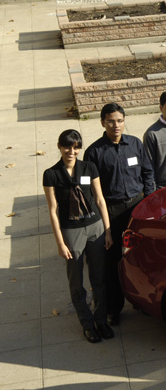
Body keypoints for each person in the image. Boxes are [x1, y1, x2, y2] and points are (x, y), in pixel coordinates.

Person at [84, 102, 155, 326]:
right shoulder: (94, 152)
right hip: (112, 212)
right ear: (103, 123)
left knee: (138, 258)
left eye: (120, 121)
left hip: (136, 208)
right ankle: (113, 308)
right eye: (111, 121)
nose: (116, 125)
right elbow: (89, 190)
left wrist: (149, 202)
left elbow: (148, 173)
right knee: (113, 262)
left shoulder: (135, 144)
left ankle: (141, 301)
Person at [44, 130, 114, 343]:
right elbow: (53, 210)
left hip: (95, 228)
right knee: (76, 282)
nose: (71, 151)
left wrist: (108, 230)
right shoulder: (51, 174)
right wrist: (59, 242)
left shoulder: (89, 167)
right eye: (67, 147)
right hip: (71, 231)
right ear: (59, 147)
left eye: (76, 147)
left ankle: (101, 320)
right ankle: (87, 323)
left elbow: (100, 200)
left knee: (99, 278)